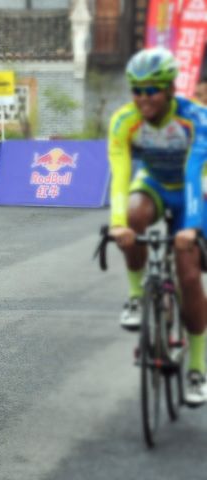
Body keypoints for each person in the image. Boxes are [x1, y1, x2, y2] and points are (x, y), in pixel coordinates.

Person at [108, 47, 207, 405]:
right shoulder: (125, 120)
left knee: (190, 275)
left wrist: (191, 228)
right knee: (134, 214)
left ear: (168, 89)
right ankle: (137, 296)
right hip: (155, 186)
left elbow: (195, 174)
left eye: (151, 90)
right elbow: (120, 175)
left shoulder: (194, 118)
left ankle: (197, 366)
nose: (143, 98)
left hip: (193, 191)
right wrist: (119, 224)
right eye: (136, 89)